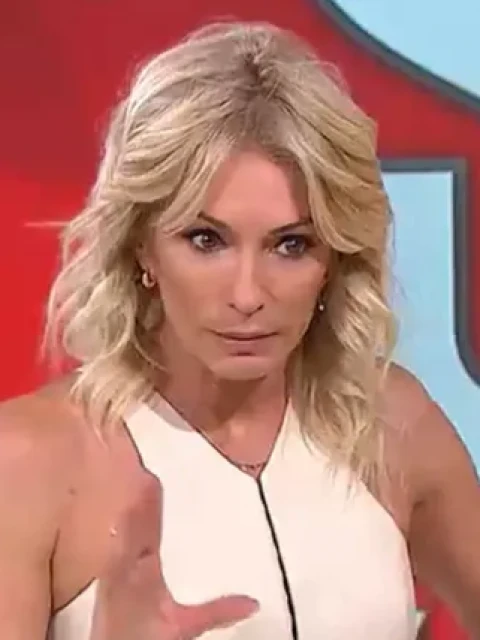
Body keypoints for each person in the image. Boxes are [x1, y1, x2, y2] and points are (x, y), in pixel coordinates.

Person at [0, 20, 479, 640]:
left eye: (291, 244)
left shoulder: (392, 424)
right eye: (207, 240)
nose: (248, 295)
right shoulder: (29, 463)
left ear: (334, 260)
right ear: (142, 246)